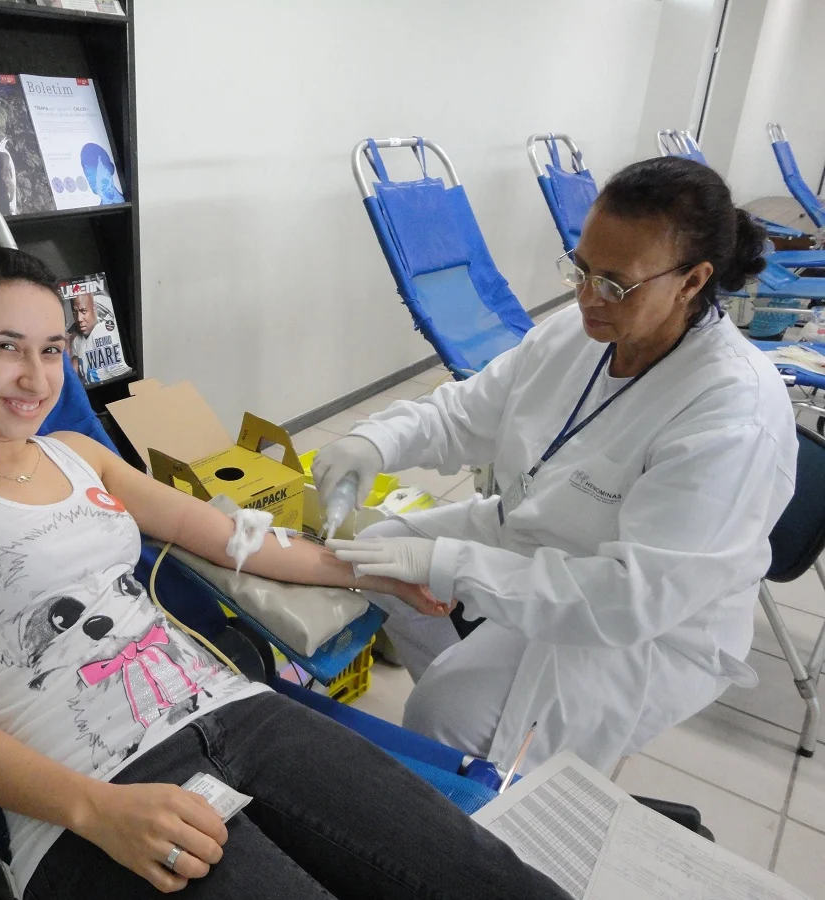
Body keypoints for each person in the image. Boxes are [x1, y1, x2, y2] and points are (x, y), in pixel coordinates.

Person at [0, 248, 570, 900]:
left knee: (479, 873)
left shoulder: (78, 452)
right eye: (5, 347)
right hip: (92, 785)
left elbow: (230, 540)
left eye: (52, 350)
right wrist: (96, 810)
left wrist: (374, 574)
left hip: (238, 712)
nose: (36, 378)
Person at [316, 156, 797, 777]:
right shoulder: (577, 331)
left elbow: (631, 598)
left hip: (651, 627)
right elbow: (466, 414)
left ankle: (485, 760)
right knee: (378, 558)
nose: (587, 297)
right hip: (538, 539)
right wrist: (374, 443)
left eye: (616, 284)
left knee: (445, 714)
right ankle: (483, 721)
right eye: (581, 268)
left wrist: (451, 565)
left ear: (691, 281)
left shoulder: (732, 411)